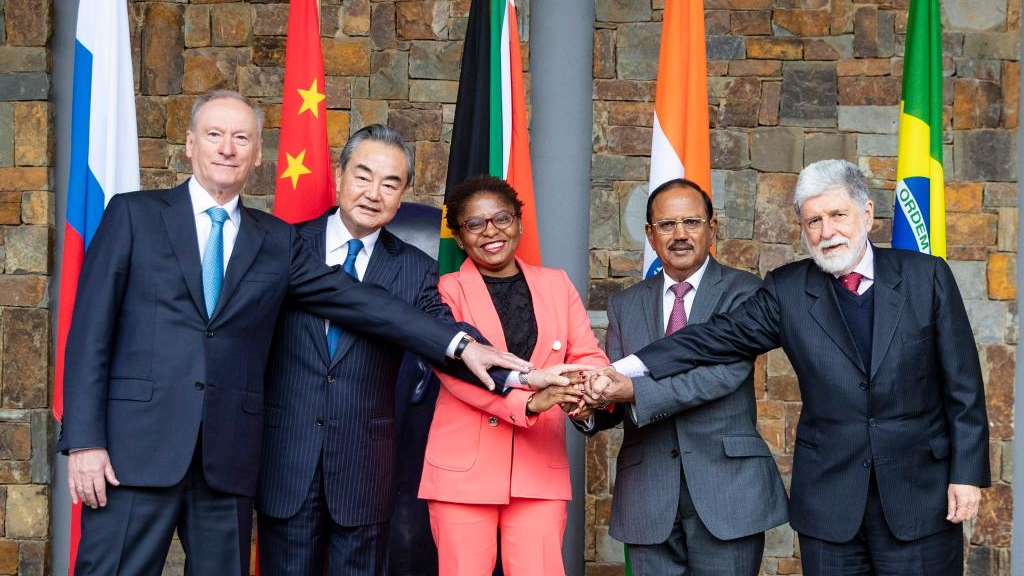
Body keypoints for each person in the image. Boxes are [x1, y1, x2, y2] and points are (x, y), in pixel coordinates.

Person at [55, 91, 530, 576]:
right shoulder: (133, 215)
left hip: (227, 465)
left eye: (241, 138)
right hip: (135, 453)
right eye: (215, 135)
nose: (227, 148)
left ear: (258, 154)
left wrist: (462, 344)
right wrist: (85, 441)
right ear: (190, 143)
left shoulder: (274, 240)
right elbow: (90, 334)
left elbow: (362, 301)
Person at [591, 159, 990, 576]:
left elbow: (963, 387)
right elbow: (715, 338)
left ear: (867, 215)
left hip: (920, 495)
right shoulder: (787, 289)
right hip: (830, 502)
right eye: (813, 220)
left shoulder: (927, 277)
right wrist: (630, 366)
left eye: (838, 215)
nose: (827, 231)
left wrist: (966, 475)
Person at [256, 125, 572, 575]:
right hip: (284, 459)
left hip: (363, 471)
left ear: (403, 193)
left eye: (390, 183)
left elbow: (444, 336)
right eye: (363, 176)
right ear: (340, 175)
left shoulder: (415, 269)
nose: (373, 193)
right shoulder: (280, 245)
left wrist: (521, 378)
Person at [580, 179, 787, 575]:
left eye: (692, 222)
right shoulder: (625, 304)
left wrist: (633, 391)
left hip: (728, 490)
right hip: (647, 493)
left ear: (713, 228)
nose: (680, 234)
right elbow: (615, 391)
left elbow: (723, 375)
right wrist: (586, 405)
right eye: (666, 224)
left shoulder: (747, 293)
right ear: (650, 235)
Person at [418, 175, 608, 576]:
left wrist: (590, 388)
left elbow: (587, 354)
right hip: (462, 470)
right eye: (475, 223)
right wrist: (532, 400)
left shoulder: (556, 284)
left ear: (519, 222)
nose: (492, 231)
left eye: (501, 218)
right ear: (459, 234)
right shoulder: (443, 291)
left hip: (538, 465)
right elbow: (454, 371)